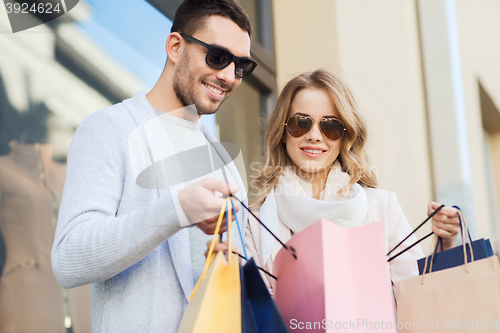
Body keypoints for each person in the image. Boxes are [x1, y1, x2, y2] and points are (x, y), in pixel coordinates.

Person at [51, 0, 257, 332]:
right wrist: (177, 209)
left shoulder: (225, 164)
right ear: (175, 46)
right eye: (218, 57)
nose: (229, 76)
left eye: (241, 66)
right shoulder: (108, 130)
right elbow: (68, 259)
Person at [212, 69, 460, 301]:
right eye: (301, 123)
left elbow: (417, 299)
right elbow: (256, 311)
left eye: (330, 126)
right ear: (283, 132)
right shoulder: (254, 221)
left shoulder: (381, 207)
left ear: (345, 137)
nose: (315, 135)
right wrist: (231, 273)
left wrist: (445, 242)